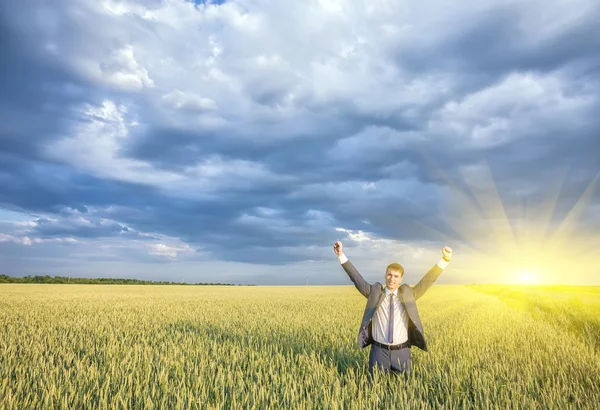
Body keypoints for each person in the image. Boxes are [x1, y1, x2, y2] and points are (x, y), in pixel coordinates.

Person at [333, 240, 452, 377]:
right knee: (375, 390)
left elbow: (428, 280)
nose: (392, 279)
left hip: (402, 352)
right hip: (378, 352)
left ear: (401, 279)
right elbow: (356, 277)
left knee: (403, 392)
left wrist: (444, 259)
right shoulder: (375, 294)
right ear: (385, 276)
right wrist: (341, 255)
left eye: (396, 276)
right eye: (389, 275)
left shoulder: (409, 295)